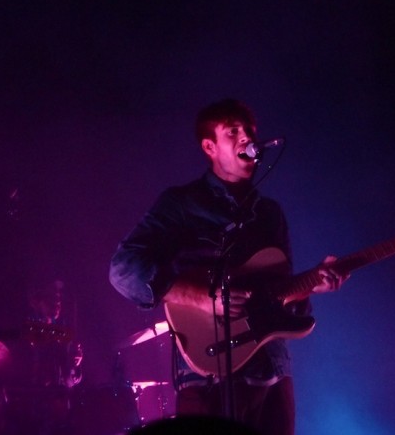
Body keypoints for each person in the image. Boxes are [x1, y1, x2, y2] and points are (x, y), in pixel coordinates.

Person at [109, 98, 348, 435]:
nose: (247, 137)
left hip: (271, 368)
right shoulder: (182, 204)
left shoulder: (270, 213)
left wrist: (310, 286)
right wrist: (203, 298)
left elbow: (280, 296)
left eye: (250, 130)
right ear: (210, 147)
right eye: (233, 132)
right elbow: (124, 269)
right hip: (208, 372)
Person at [0, 279, 83, 435]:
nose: (57, 302)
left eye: (58, 298)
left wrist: (75, 366)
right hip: (21, 413)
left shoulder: (64, 333)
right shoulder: (20, 330)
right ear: (36, 302)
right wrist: (4, 398)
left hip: (51, 414)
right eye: (51, 297)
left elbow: (69, 382)